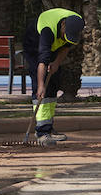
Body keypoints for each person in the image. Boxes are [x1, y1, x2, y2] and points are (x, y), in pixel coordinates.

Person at [22, 8, 85, 146]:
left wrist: (56, 62)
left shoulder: (76, 24)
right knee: (43, 88)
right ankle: (41, 133)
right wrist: (40, 85)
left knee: (54, 85)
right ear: (62, 25)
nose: (65, 37)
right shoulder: (47, 32)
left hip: (54, 48)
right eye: (64, 35)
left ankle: (48, 129)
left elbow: (66, 47)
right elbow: (42, 62)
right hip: (34, 44)